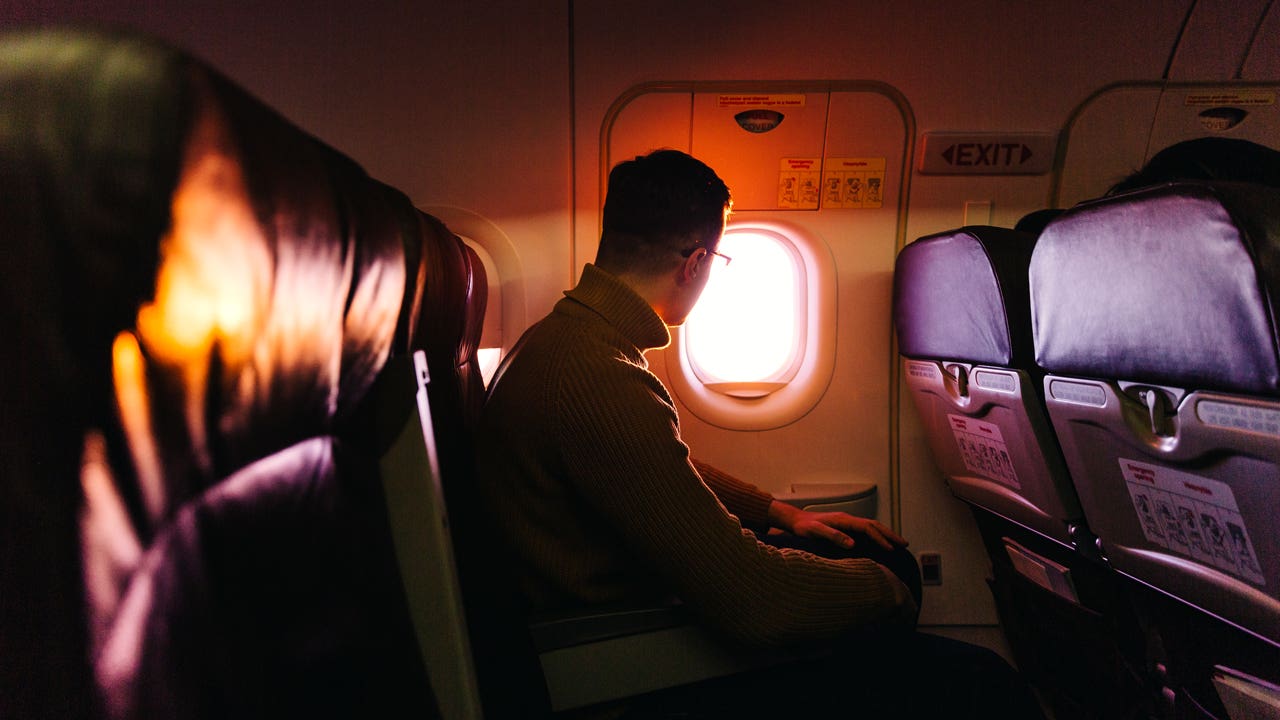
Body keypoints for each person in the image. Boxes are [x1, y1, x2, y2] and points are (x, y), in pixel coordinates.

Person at [474, 149, 1042, 717]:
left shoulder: (564, 339)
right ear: (695, 263)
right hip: (624, 646)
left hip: (622, 607)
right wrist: (888, 594)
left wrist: (779, 512)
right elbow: (755, 602)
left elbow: (656, 467)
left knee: (875, 560)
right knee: (983, 682)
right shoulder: (598, 376)